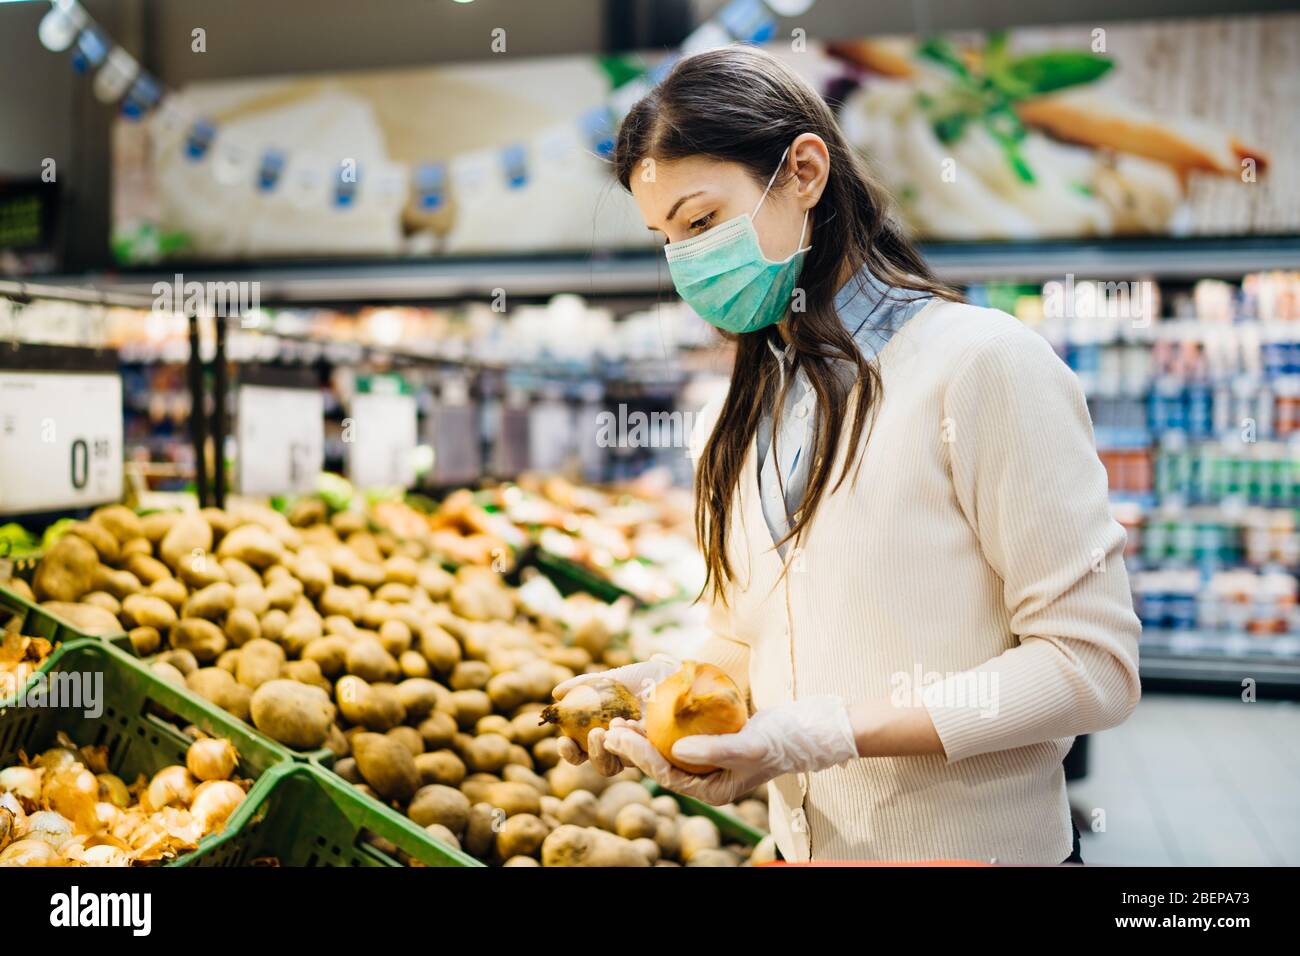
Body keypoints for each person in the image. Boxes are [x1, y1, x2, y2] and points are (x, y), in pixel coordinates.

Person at [553, 46, 1140, 865]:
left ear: (803, 171)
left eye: (699, 222)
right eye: (664, 239)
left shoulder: (982, 365)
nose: (685, 265)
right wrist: (659, 689)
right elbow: (748, 638)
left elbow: (1091, 666)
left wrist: (828, 733)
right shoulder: (746, 405)